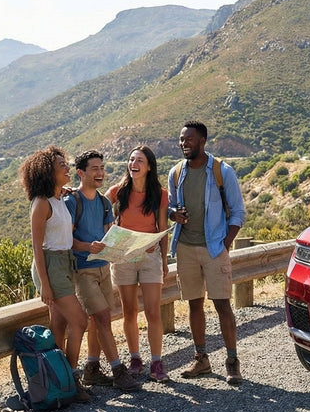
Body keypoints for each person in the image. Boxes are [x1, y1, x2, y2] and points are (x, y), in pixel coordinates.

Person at [167, 120, 246, 385]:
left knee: (223, 304)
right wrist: (172, 214)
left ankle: (232, 361)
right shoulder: (176, 173)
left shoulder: (223, 171)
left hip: (214, 248)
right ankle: (201, 359)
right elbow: (169, 207)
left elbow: (238, 212)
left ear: (202, 141)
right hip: (185, 248)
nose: (183, 144)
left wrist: (225, 243)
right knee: (193, 304)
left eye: (189, 139)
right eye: (181, 139)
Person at [67, 149, 142, 392]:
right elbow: (66, 240)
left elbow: (111, 233)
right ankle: (118, 370)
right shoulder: (71, 202)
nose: (100, 173)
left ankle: (91, 369)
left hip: (103, 269)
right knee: (101, 318)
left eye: (102, 168)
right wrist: (88, 246)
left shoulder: (103, 202)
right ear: (81, 173)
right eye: (94, 169)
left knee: (98, 319)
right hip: (83, 270)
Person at [19, 146, 89, 402]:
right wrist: (45, 285)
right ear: (48, 171)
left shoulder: (59, 198)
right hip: (49, 266)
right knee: (81, 322)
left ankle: (56, 384)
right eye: (62, 165)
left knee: (59, 326)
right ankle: (70, 378)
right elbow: (37, 247)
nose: (67, 168)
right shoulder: (41, 204)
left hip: (64, 263)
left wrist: (62, 192)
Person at [106, 146, 171, 382]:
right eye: (131, 159)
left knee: (153, 311)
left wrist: (163, 261)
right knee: (129, 311)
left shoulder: (160, 194)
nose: (133, 163)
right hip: (123, 258)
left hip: (150, 256)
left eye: (139, 160)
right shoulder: (117, 191)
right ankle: (135, 358)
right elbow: (96, 205)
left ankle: (156, 361)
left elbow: (163, 229)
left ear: (149, 166)